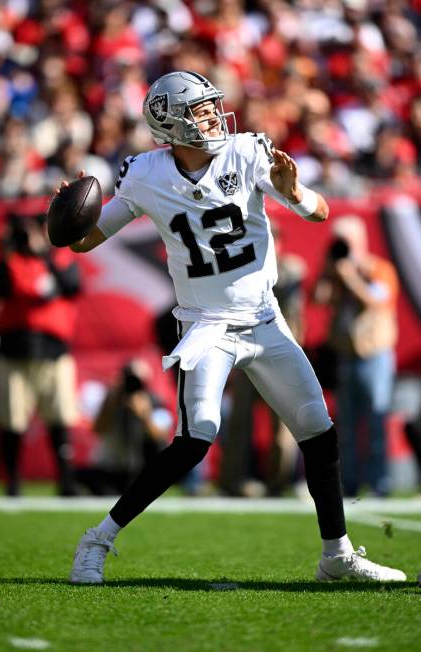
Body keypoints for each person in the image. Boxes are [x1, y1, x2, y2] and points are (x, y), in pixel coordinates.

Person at [63, 71, 405, 584]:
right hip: (207, 327)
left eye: (210, 106)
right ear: (171, 125)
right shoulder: (146, 175)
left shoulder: (247, 152)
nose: (212, 116)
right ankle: (96, 540)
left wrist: (294, 193)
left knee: (318, 430)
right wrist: (69, 217)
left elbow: (320, 211)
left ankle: (336, 555)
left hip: (265, 319)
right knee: (196, 436)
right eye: (199, 110)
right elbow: (87, 241)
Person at [0, 212, 81, 496]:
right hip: (15, 351)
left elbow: (71, 287)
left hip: (54, 352)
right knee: (12, 418)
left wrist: (44, 254)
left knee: (60, 418)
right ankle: (13, 481)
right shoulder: (12, 261)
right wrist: (7, 251)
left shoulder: (61, 259)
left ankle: (65, 481)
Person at [219, 221, 306, 497]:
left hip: (281, 354)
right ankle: (232, 481)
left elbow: (286, 287)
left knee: (282, 424)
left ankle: (279, 482)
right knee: (239, 421)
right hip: (248, 351)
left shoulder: (291, 268)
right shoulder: (244, 267)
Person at [314, 216, 399, 497]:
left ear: (360, 242)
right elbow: (317, 299)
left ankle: (379, 483)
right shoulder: (336, 271)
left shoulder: (380, 269)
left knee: (375, 421)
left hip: (375, 354)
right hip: (346, 354)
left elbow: (375, 302)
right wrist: (329, 273)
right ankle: (349, 483)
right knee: (346, 425)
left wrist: (351, 275)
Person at [74, 359, 172, 495]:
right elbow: (97, 429)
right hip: (109, 468)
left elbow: (161, 437)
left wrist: (145, 416)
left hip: (139, 470)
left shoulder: (154, 401)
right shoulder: (109, 398)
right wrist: (111, 403)